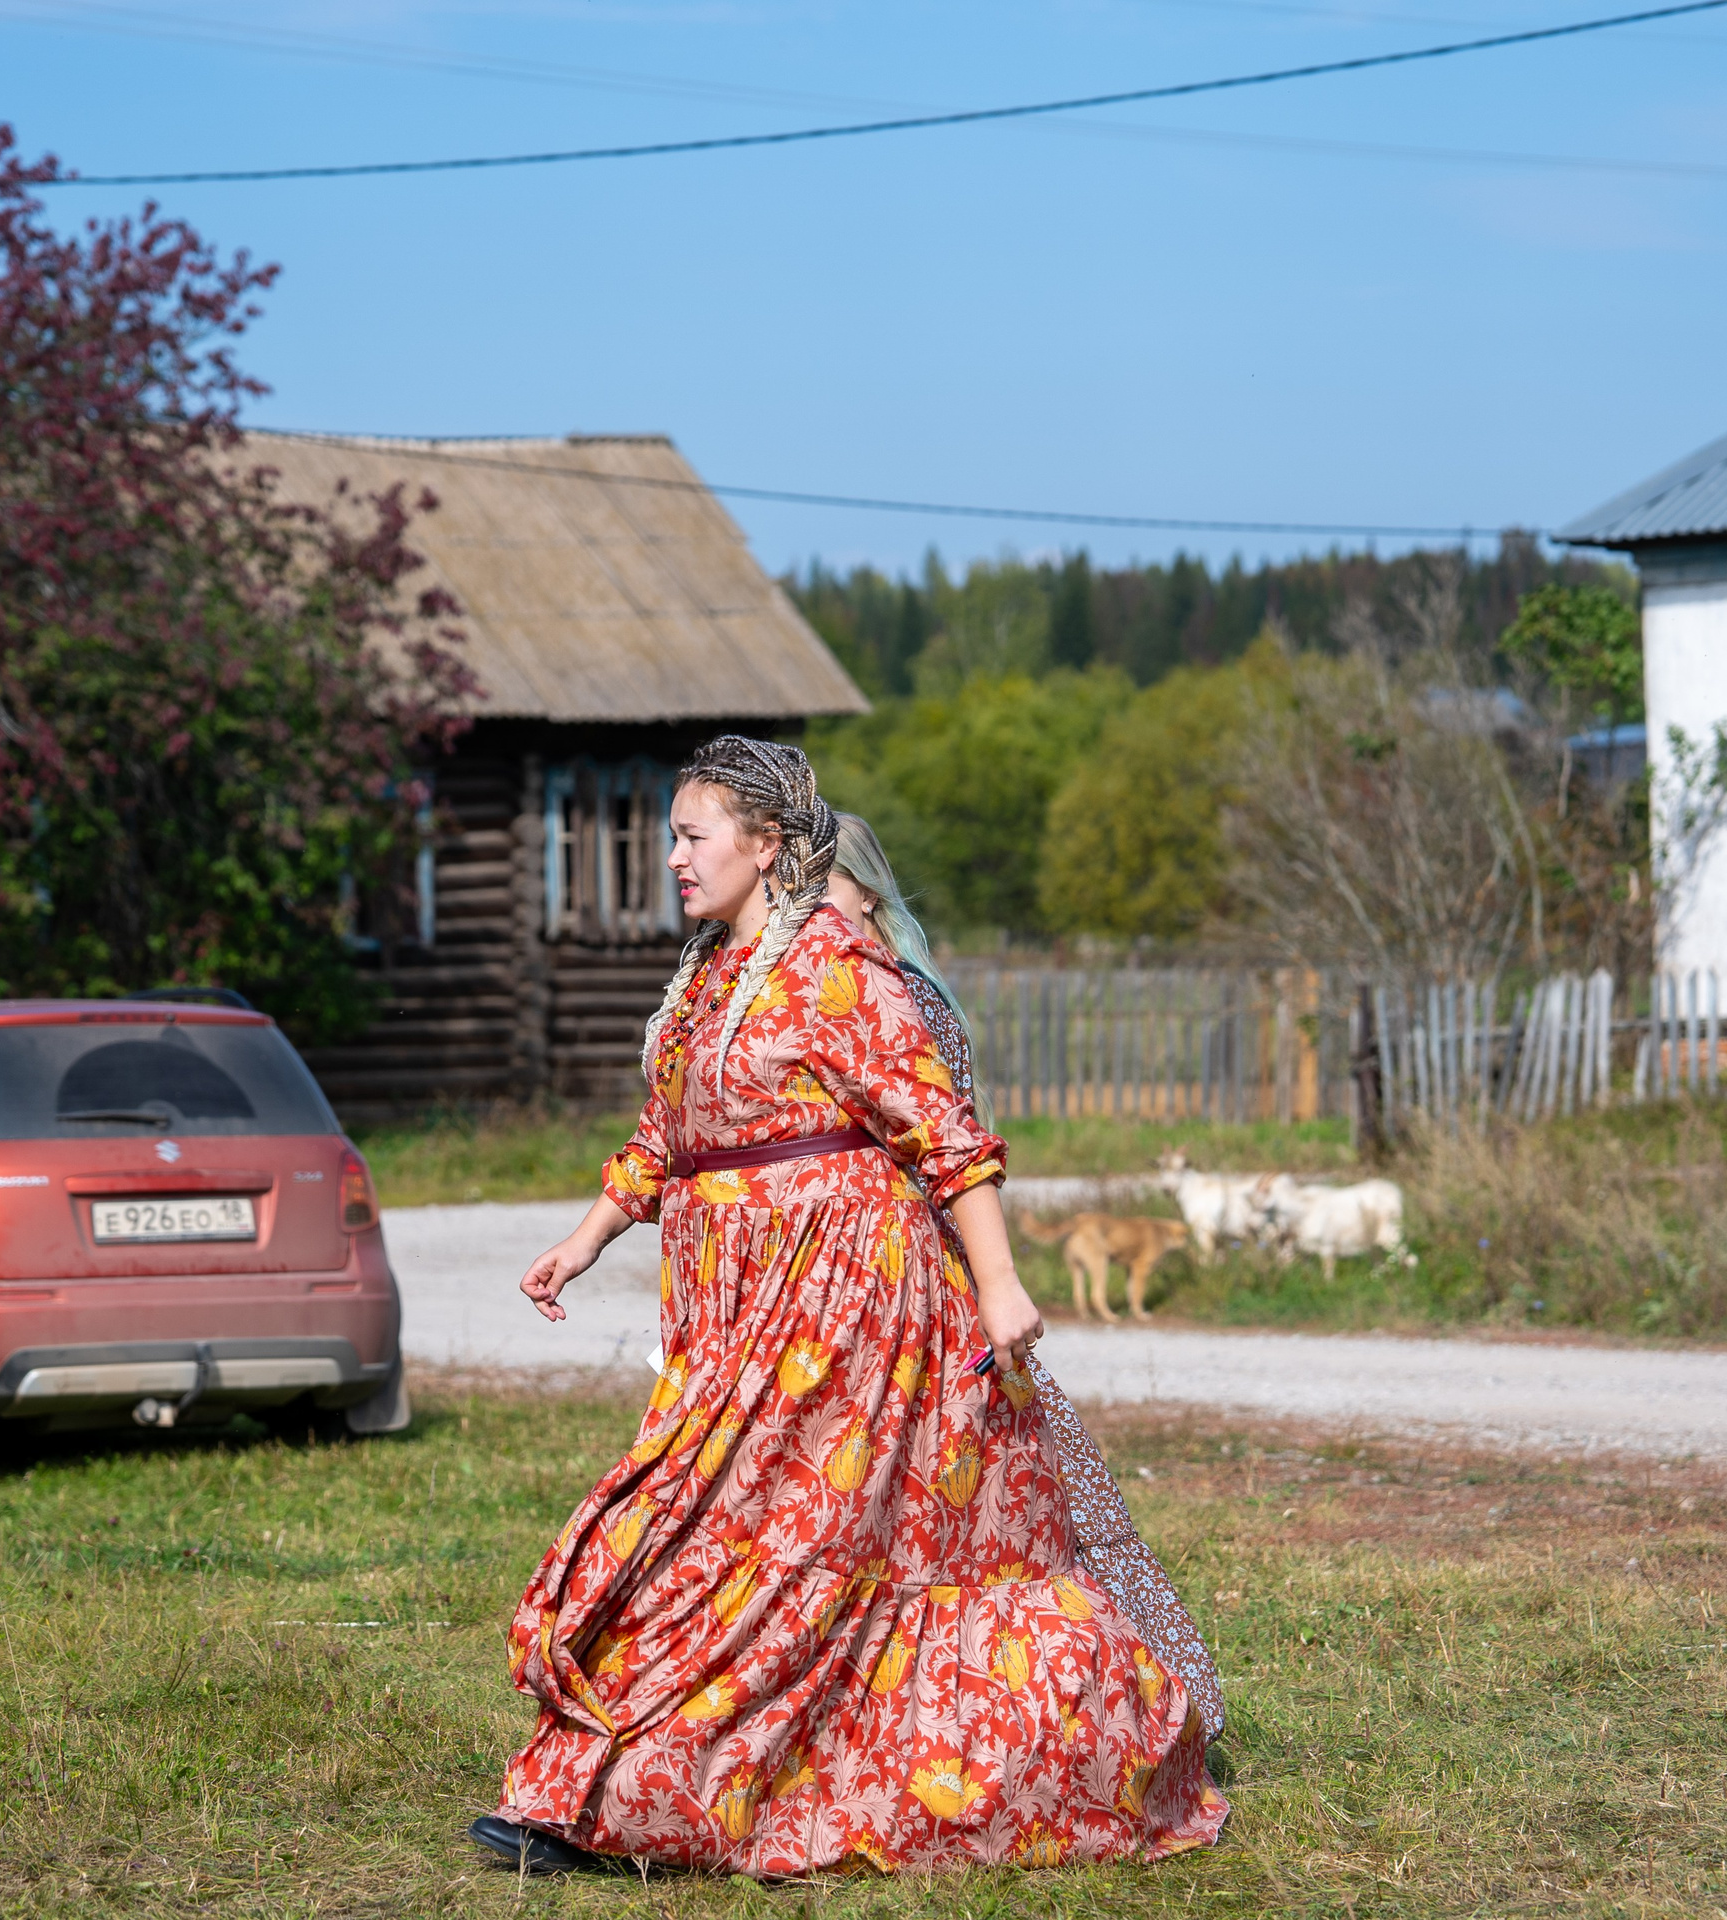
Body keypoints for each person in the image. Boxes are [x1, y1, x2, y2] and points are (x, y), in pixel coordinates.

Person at [470, 738, 1227, 1878]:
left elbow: (947, 1138)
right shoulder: (707, 979)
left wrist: (1005, 1283)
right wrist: (580, 1244)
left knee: (774, 1547)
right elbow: (665, 1138)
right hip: (732, 1316)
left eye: (691, 836)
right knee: (695, 1528)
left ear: (766, 846)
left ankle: (647, 1802)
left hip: (851, 1310)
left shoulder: (840, 969)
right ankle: (623, 1788)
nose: (670, 858)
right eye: (670, 835)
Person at [825, 811, 1226, 1744]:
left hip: (921, 1296)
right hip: (853, 1294)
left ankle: (1092, 1723)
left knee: (990, 1521)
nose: (807, 916)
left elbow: (945, 1162)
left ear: (867, 893)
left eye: (823, 891)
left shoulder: (904, 1001)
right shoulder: (821, 991)